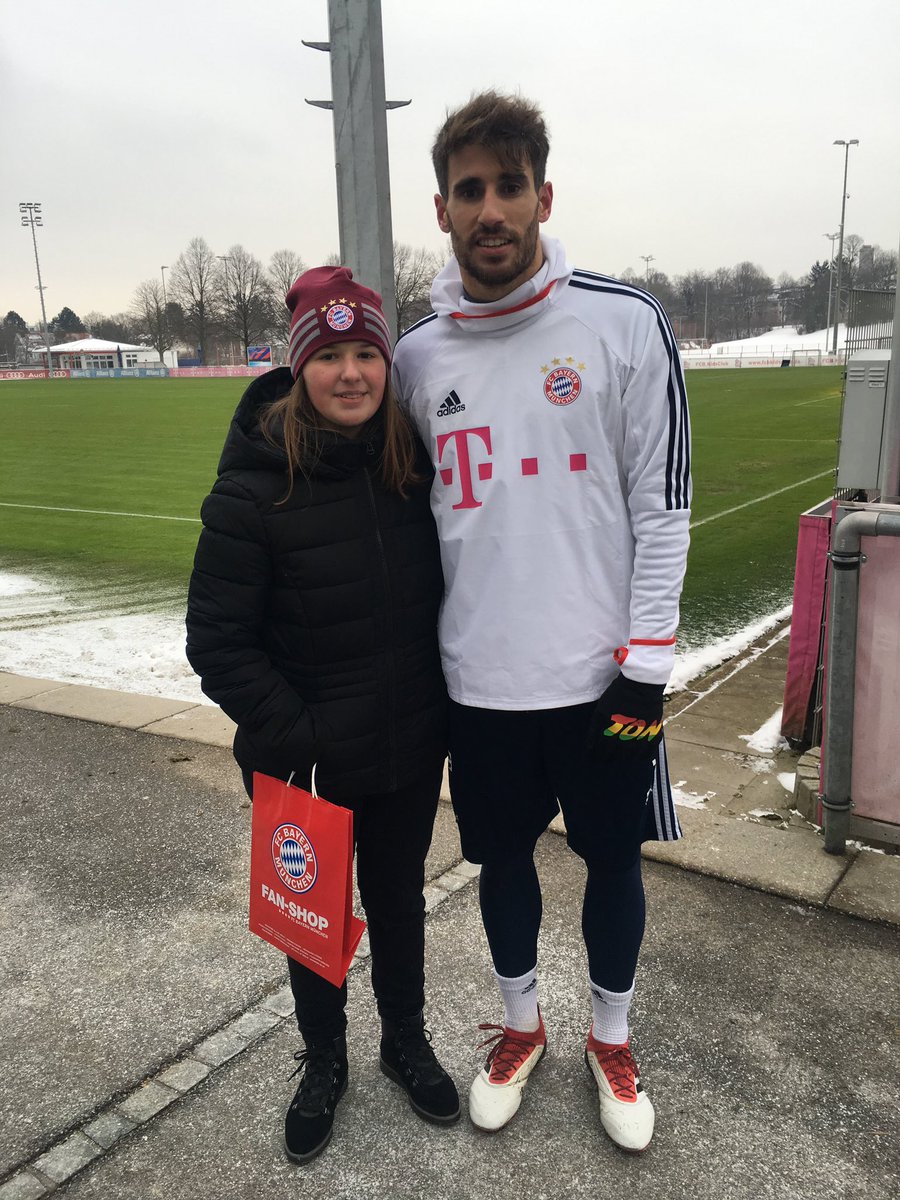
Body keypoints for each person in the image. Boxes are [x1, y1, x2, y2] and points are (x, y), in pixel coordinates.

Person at [391, 91, 691, 1153]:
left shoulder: (622, 322)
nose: (490, 209)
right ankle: (521, 1027)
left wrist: (646, 669)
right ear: (442, 209)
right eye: (469, 189)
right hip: (479, 686)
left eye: (508, 186)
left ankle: (612, 1037)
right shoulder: (417, 359)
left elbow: (664, 510)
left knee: (615, 861)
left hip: (605, 680)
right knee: (499, 862)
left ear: (542, 196)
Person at [185, 266, 460, 1165]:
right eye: (330, 355)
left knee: (397, 902)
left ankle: (403, 1042)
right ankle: (324, 1060)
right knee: (312, 918)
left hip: (409, 748)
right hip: (303, 761)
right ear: (299, 367)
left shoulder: (412, 465)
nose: (352, 373)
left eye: (366, 354)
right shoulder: (252, 489)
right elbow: (218, 643)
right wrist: (299, 736)